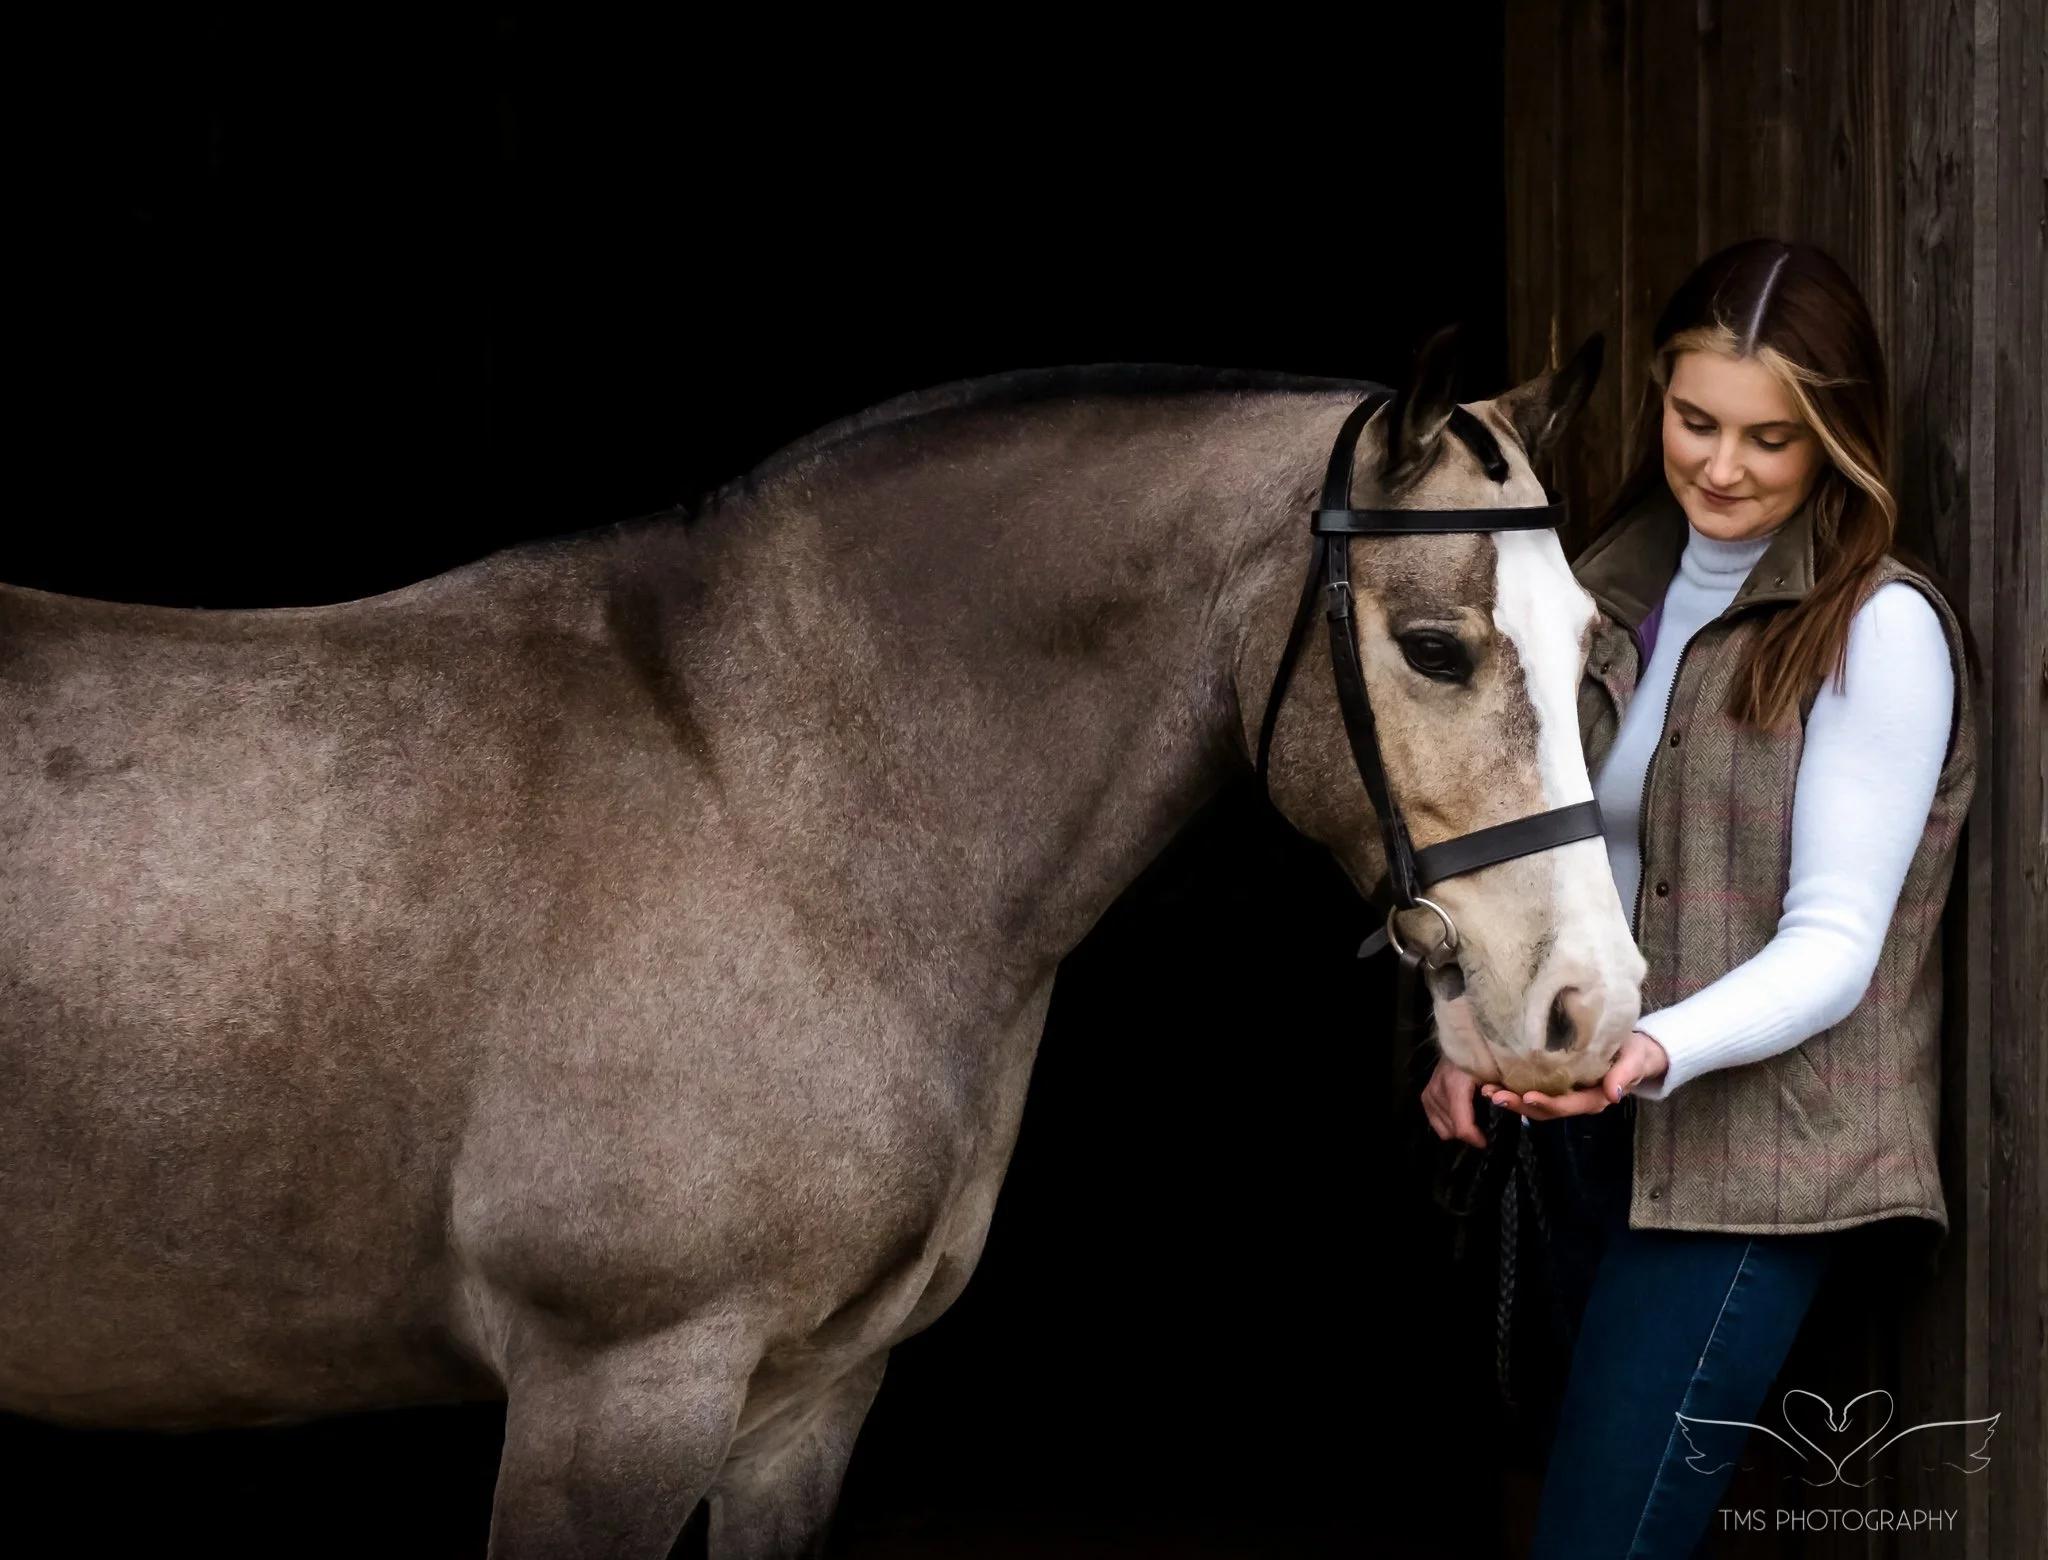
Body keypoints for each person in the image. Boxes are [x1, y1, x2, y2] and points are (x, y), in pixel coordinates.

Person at [1418, 238, 1978, 1558]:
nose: (1721, 466)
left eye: (1770, 438)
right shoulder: (1596, 590)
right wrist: (1468, 1023)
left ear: (1838, 438)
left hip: (1751, 1171)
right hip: (1572, 1133)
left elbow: (1838, 945)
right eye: (1695, 421)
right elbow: (1532, 850)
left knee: (1601, 1541)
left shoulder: (1875, 629)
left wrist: (1651, 1047)